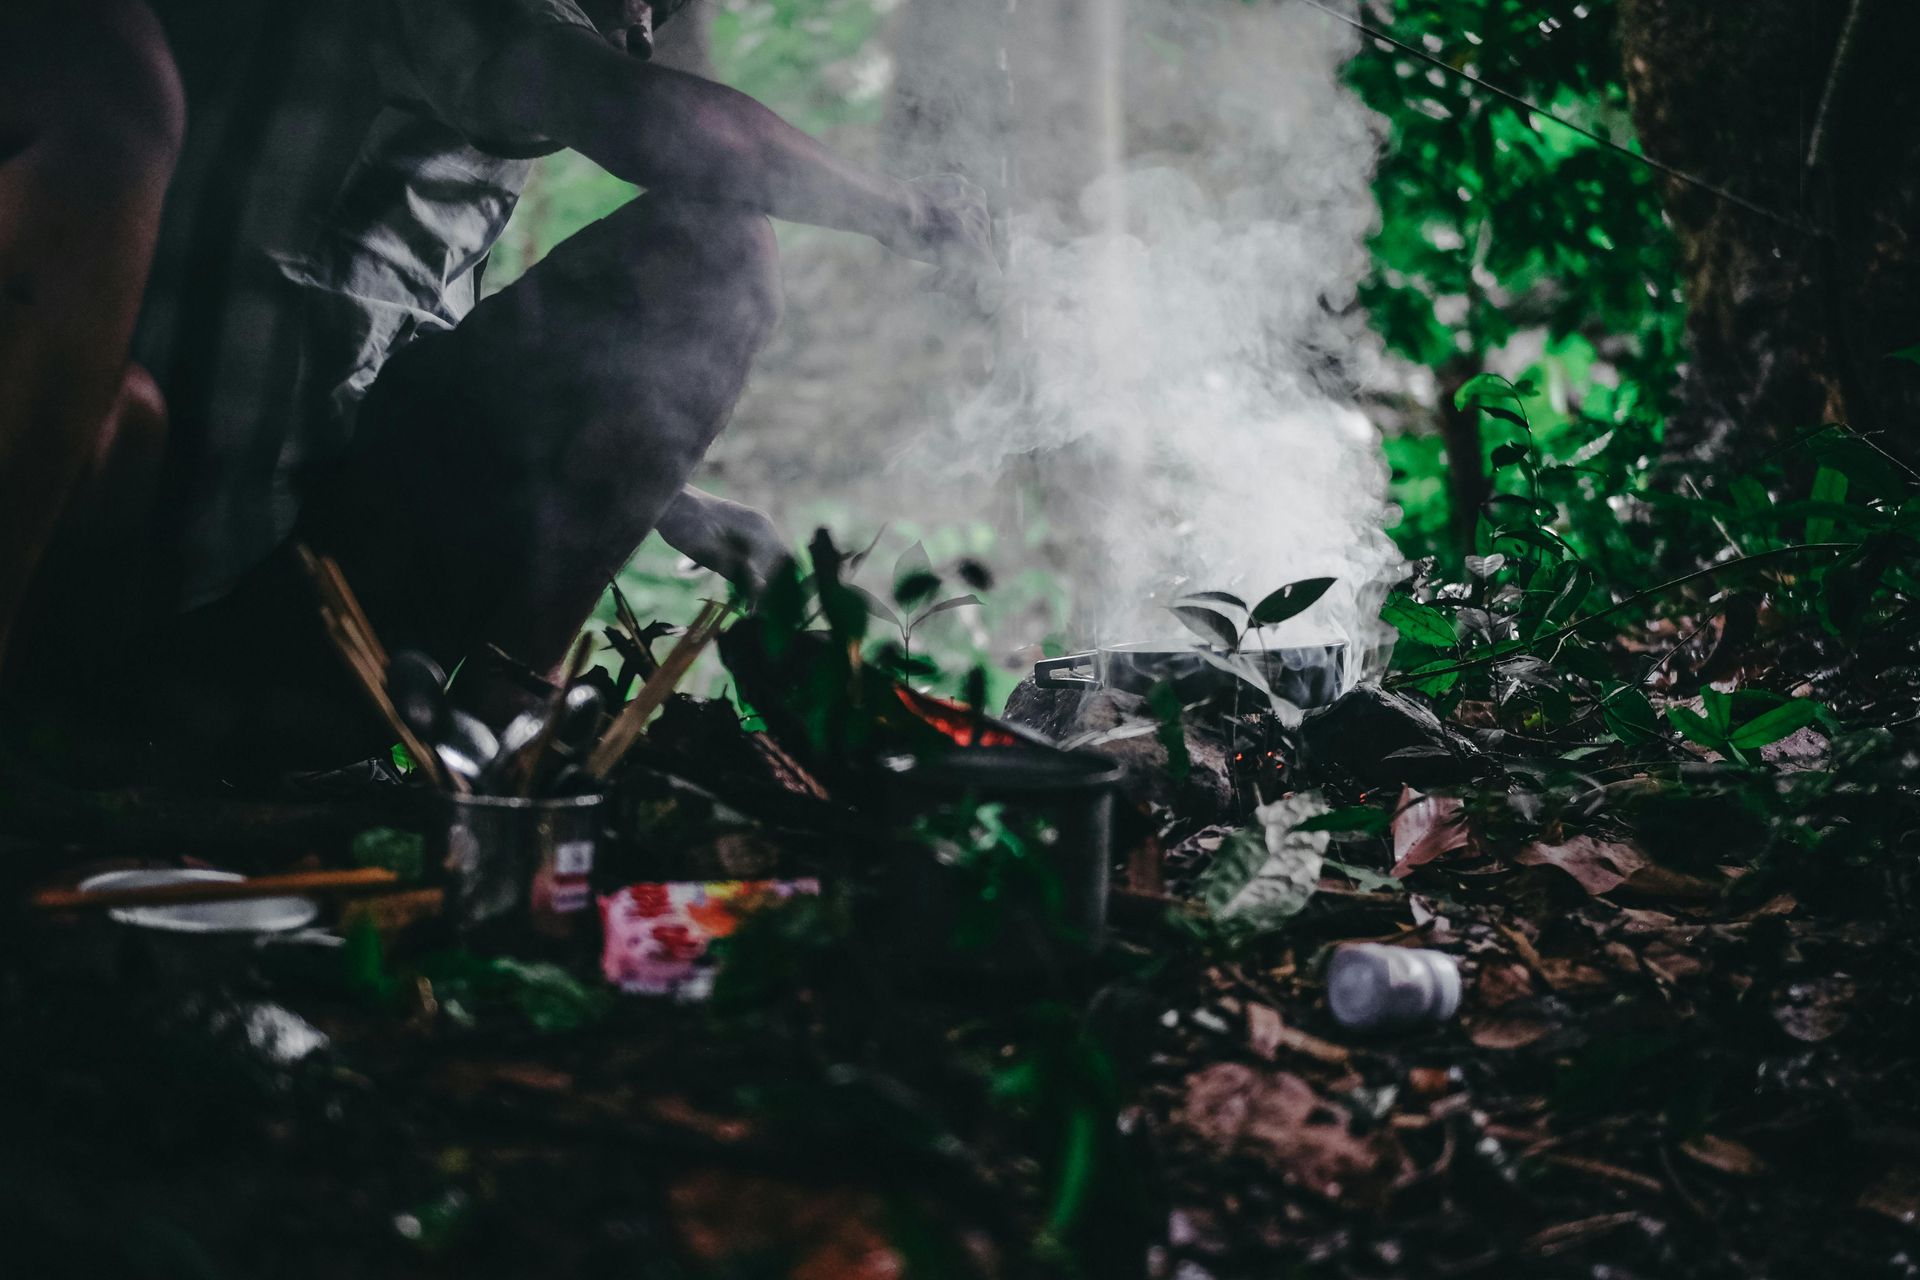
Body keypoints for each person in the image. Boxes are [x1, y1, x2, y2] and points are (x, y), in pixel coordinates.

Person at [1, 0, 997, 778]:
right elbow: (656, 127)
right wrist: (909, 215)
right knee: (712, 250)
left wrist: (659, 494)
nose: (646, 28)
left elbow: (367, 346)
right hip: (217, 627)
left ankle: (494, 745)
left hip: (285, 599)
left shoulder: (423, 134)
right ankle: (509, 728)